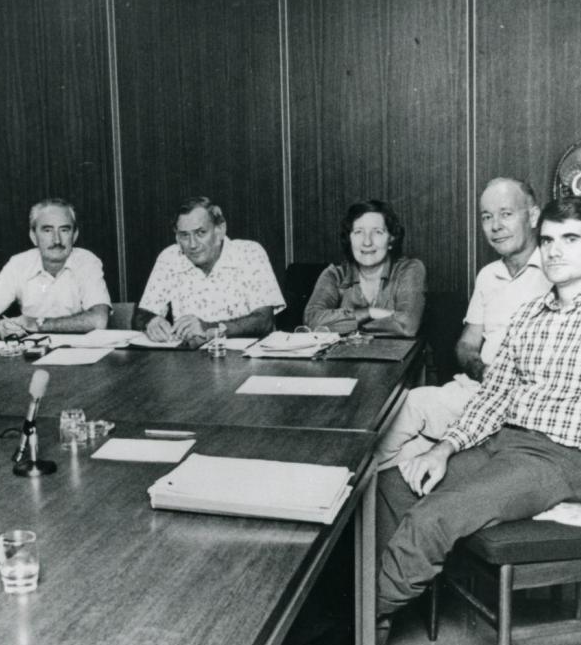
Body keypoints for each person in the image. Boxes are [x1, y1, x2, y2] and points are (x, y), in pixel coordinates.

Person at [287, 196, 581, 645]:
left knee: (434, 517)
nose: (554, 251)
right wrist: (444, 448)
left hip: (570, 461)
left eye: (571, 239)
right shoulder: (532, 313)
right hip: (509, 443)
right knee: (392, 485)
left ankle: (345, 639)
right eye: (548, 239)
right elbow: (494, 398)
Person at [374, 178, 551, 468]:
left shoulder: (556, 271)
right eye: (487, 217)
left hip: (519, 405)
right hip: (476, 390)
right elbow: (467, 344)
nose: (495, 226)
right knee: (394, 460)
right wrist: (482, 369)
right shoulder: (488, 275)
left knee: (410, 406)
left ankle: (340, 483)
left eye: (506, 214)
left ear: (532, 216)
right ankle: (344, 487)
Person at [133, 196, 284, 347]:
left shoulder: (249, 253)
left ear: (220, 230)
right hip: (188, 358)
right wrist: (150, 321)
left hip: (243, 356)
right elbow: (140, 316)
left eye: (201, 232)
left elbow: (264, 321)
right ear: (177, 237)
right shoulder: (169, 258)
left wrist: (209, 328)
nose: (192, 244)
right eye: (184, 235)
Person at [0, 198, 110, 338]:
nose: (57, 240)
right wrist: (0, 327)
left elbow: (99, 320)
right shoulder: (19, 263)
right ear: (33, 237)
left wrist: (37, 324)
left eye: (64, 230)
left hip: (79, 349)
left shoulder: (87, 262)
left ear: (75, 235)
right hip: (33, 349)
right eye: (47, 230)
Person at [302, 199, 425, 337]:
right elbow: (311, 320)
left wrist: (344, 324)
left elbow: (408, 325)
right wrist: (369, 312)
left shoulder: (410, 269)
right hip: (348, 351)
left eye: (377, 232)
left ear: (391, 240)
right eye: (358, 232)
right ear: (349, 239)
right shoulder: (335, 275)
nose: (367, 242)